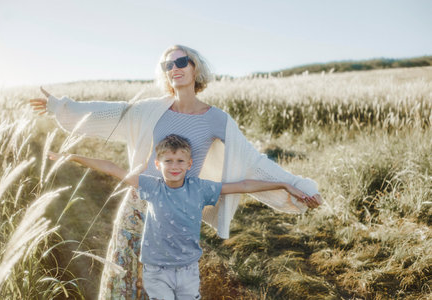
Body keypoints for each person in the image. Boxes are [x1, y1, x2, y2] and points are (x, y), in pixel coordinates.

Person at [30, 45, 322, 299]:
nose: (175, 68)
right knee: (125, 281)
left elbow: (253, 162)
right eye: (168, 65)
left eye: (182, 62)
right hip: (138, 207)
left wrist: (294, 185)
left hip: (180, 212)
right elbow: (110, 113)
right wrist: (60, 106)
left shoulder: (217, 119)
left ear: (196, 68)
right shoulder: (151, 109)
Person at [48, 134, 317, 299]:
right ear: (158, 165)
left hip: (188, 268)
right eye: (168, 161)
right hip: (156, 269)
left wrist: (284, 185)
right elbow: (111, 168)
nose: (174, 167)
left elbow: (244, 185)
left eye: (180, 161)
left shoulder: (200, 189)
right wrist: (71, 156)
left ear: (190, 164)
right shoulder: (151, 187)